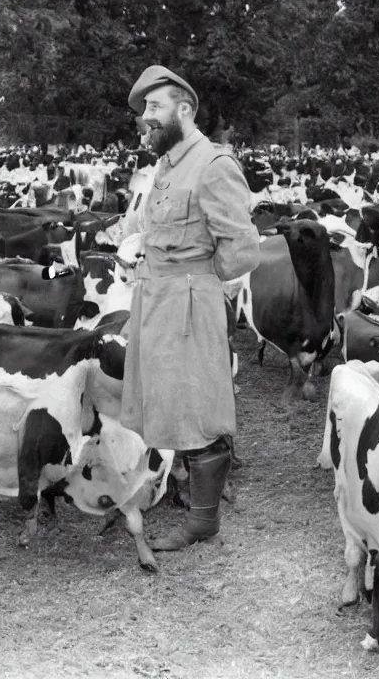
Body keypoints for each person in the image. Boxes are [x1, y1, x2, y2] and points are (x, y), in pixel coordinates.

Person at [120, 65, 261, 552]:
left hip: (187, 303)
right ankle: (179, 493)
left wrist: (199, 283)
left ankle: (204, 520)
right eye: (142, 111)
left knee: (198, 410)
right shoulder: (165, 164)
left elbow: (241, 249)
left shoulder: (213, 163)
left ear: (184, 110)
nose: (145, 119)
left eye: (154, 108)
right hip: (155, 298)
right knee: (170, 403)